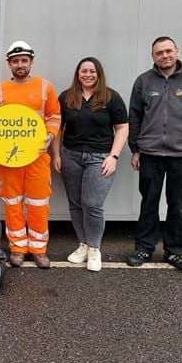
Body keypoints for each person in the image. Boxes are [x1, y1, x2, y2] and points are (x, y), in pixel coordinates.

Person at [126, 36, 182, 274]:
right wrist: (135, 149)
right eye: (159, 53)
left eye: (168, 51)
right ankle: (144, 248)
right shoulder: (143, 82)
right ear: (153, 56)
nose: (164, 56)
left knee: (177, 205)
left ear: (177, 51)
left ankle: (175, 252)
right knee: (149, 202)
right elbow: (134, 118)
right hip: (151, 154)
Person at [0, 41, 61, 269]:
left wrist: (50, 134)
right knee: (12, 202)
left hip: (37, 156)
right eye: (15, 61)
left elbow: (55, 116)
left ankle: (38, 249)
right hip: (9, 158)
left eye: (24, 60)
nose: (20, 64)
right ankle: (17, 248)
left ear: (31, 62)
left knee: (38, 203)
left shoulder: (45, 87)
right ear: (9, 63)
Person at [50, 57, 128, 272]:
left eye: (92, 71)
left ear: (99, 74)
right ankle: (83, 245)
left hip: (100, 157)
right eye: (84, 71)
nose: (88, 75)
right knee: (75, 203)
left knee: (92, 203)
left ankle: (95, 249)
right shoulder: (67, 97)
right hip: (71, 156)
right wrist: (56, 155)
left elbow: (122, 128)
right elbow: (58, 128)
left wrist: (114, 156)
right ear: (78, 74)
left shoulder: (111, 97)